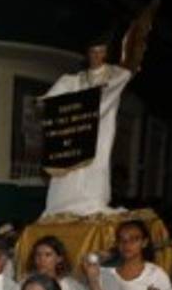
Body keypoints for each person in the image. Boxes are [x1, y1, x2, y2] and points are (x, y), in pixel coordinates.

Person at [41, 35, 135, 218]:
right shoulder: (73, 80)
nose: (97, 56)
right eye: (93, 51)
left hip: (100, 130)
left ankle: (91, 201)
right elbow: (51, 102)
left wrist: (91, 103)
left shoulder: (115, 74)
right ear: (87, 54)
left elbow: (114, 88)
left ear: (107, 54)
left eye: (101, 51)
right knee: (69, 164)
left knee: (95, 164)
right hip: (74, 129)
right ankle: (64, 204)